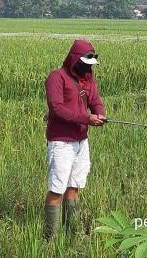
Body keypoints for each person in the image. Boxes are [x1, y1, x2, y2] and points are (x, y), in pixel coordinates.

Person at [43, 39, 105, 239]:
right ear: (74, 59)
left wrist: (100, 114)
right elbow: (57, 109)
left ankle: (72, 232)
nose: (87, 68)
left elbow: (95, 101)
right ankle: (50, 237)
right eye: (85, 64)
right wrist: (86, 118)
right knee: (57, 188)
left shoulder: (88, 78)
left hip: (81, 141)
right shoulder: (56, 77)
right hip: (61, 142)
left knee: (74, 186)